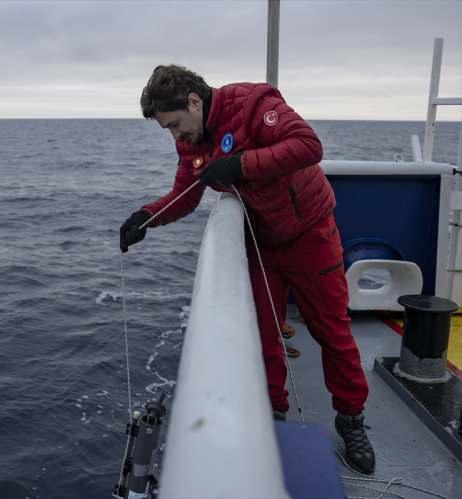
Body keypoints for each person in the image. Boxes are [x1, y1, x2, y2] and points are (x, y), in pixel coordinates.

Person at [120, 65, 375, 474]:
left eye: (174, 125)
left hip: (311, 234)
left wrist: (240, 166)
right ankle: (272, 418)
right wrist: (146, 217)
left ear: (193, 101)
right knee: (264, 337)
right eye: (167, 131)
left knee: (333, 332)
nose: (175, 136)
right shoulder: (192, 142)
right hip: (261, 242)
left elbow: (308, 145)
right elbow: (185, 194)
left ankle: (351, 420)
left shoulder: (254, 104)